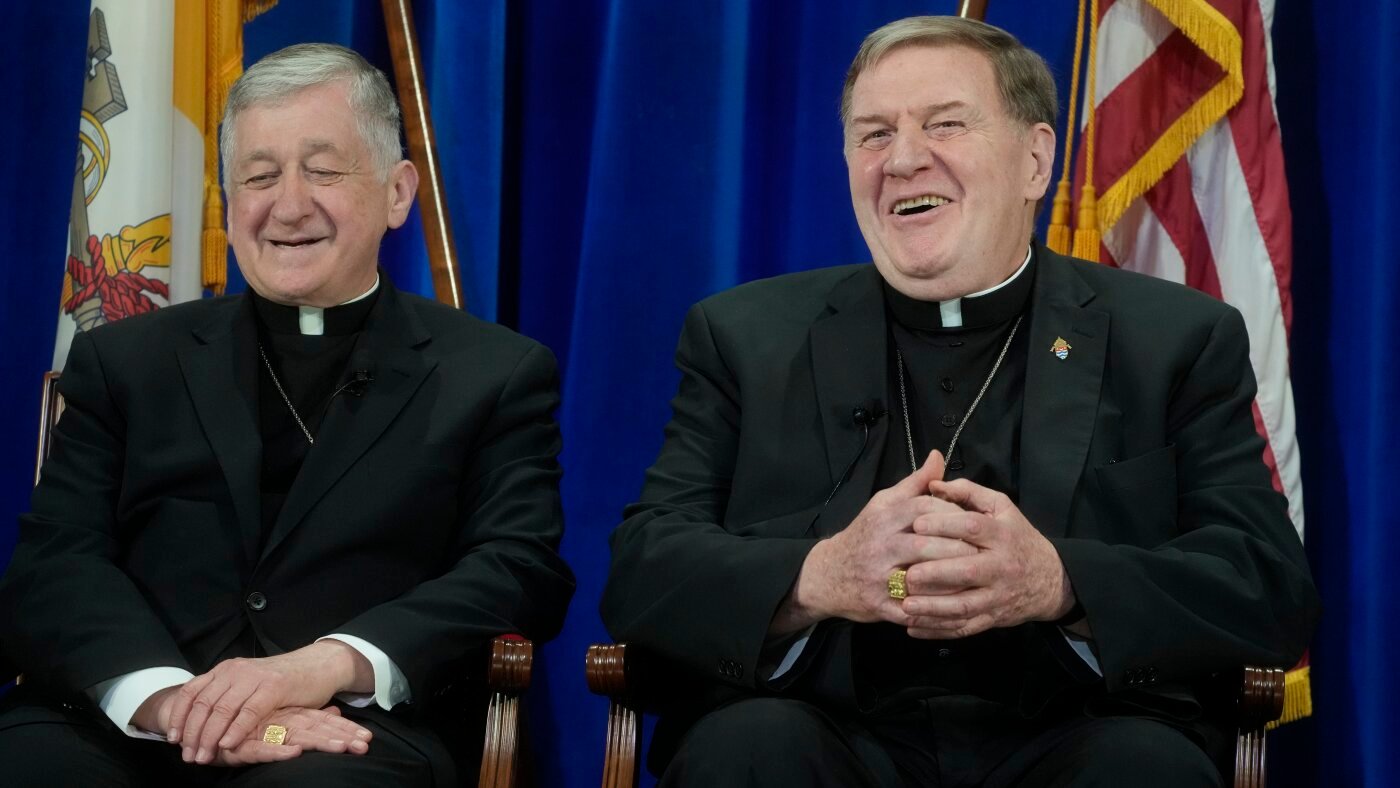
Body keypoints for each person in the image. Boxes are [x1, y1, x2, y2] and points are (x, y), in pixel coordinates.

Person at [601, 16, 1318, 788]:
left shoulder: (1174, 339)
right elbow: (643, 572)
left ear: (1034, 161)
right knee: (744, 750)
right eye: (874, 134)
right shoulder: (744, 337)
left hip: (1083, 730)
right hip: (818, 730)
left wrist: (1060, 581)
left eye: (944, 124)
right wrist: (822, 575)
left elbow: (1268, 588)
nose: (903, 158)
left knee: (1144, 769)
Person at [0, 43, 573, 786]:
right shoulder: (126, 362)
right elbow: (56, 563)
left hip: (352, 730)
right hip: (128, 720)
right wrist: (171, 704)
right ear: (228, 201)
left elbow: (518, 569)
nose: (290, 205)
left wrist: (325, 665)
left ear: (398, 193)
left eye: (323, 171)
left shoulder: (493, 373)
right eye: (260, 176)